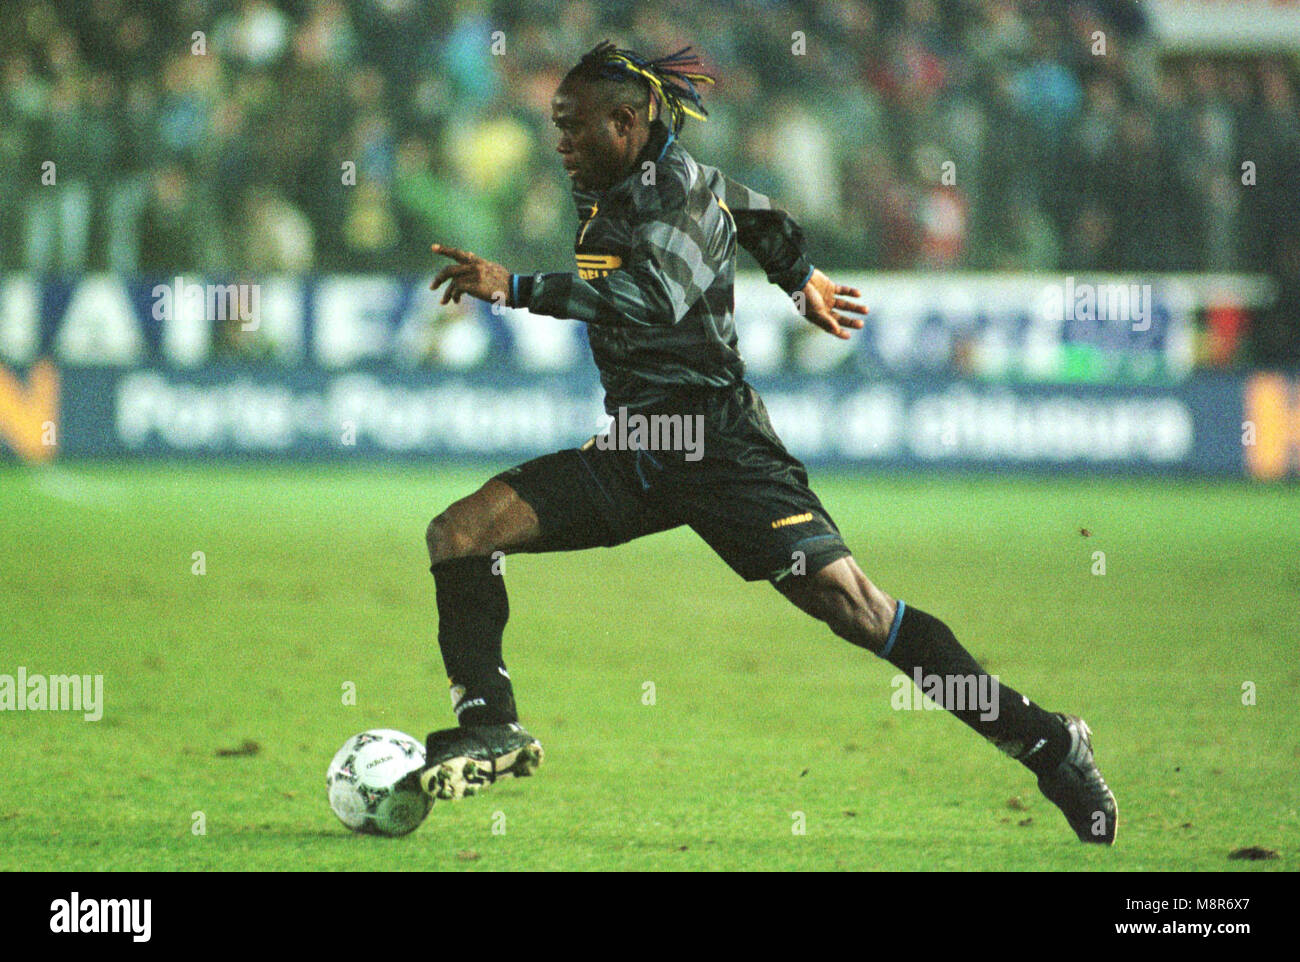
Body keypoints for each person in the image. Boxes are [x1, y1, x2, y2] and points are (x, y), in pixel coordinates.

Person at [419, 41, 1117, 843]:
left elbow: (652, 298)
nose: (561, 143)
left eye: (574, 128)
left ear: (626, 122)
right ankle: (490, 726)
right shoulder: (634, 183)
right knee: (461, 532)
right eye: (556, 127)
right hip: (641, 448)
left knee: (857, 611)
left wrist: (516, 287)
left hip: (723, 450)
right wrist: (802, 279)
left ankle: (1050, 743)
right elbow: (760, 215)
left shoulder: (674, 191)